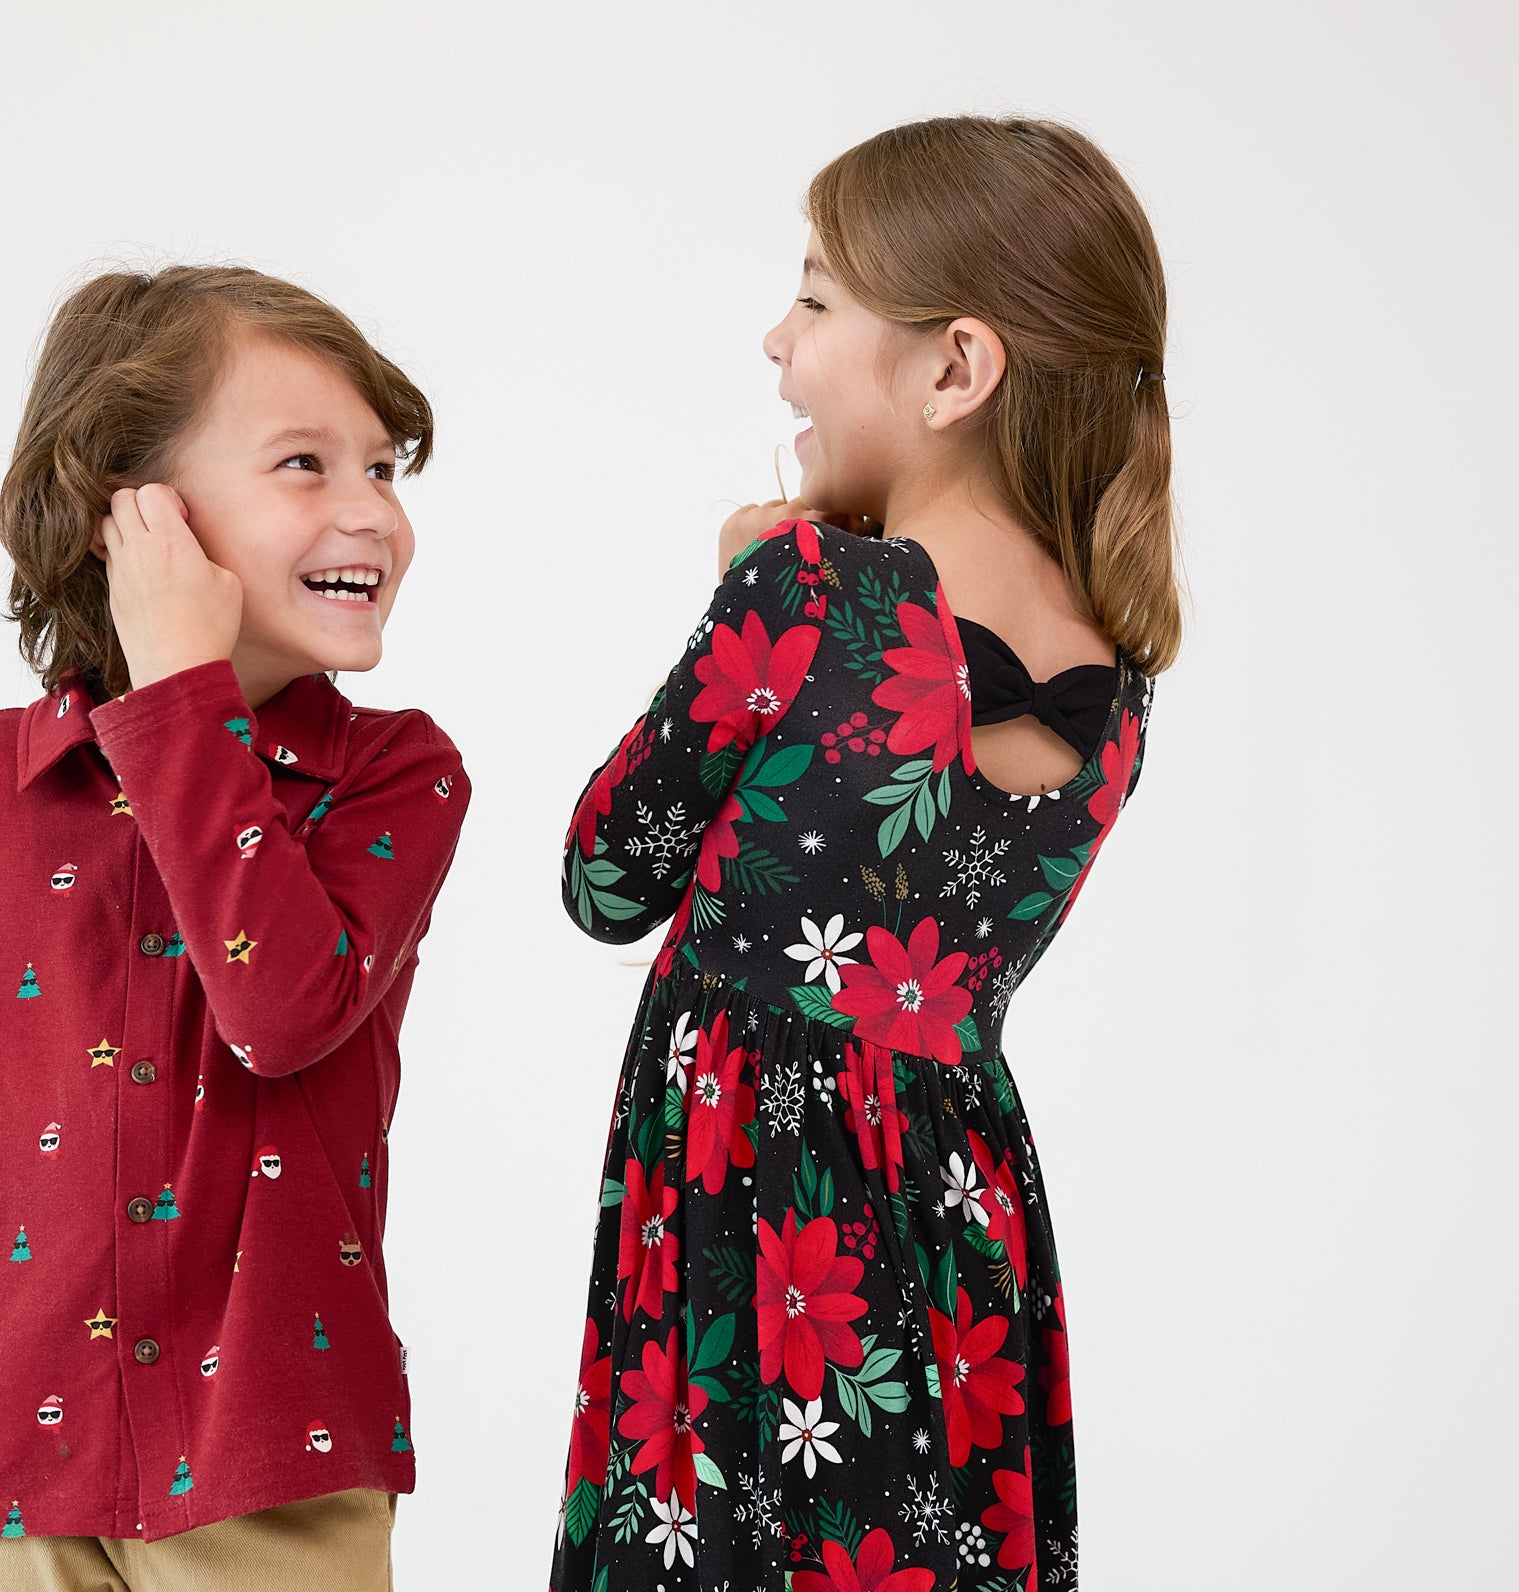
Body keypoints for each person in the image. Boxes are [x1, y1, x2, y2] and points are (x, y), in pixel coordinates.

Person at [549, 114, 1179, 1590]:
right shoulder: (1121, 687)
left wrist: (738, 601)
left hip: (754, 1214)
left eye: (819, 298)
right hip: (959, 1229)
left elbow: (602, 878)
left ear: (956, 369)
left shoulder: (807, 591)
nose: (779, 340)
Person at [0, 266, 471, 1590]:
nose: (371, 512)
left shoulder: (397, 776)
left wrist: (184, 691)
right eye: (304, 464)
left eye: (382, 469)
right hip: (22, 1461)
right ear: (129, 514)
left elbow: (278, 1012)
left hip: (274, 1454)